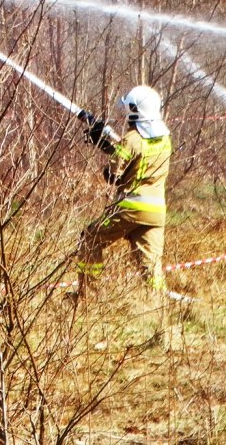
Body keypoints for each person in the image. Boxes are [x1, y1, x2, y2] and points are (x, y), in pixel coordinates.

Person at [76, 85, 173, 299]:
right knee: (151, 264)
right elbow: (136, 159)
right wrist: (109, 146)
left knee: (90, 238)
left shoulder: (131, 139)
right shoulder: (165, 138)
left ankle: (87, 297)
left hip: (131, 208)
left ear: (134, 109)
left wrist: (100, 141)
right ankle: (157, 303)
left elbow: (113, 175)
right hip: (156, 212)